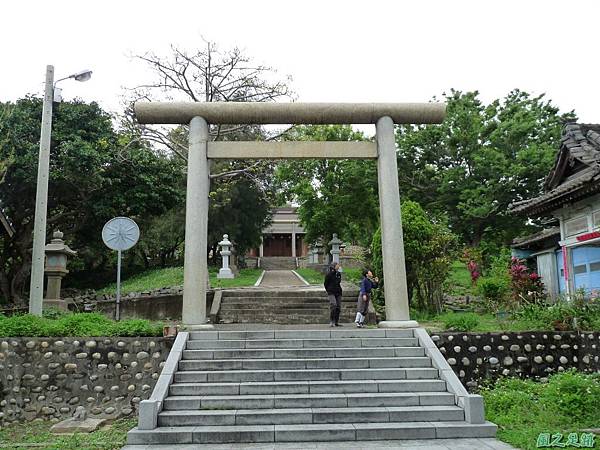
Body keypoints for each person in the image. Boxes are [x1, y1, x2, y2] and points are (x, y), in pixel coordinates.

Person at [324, 262, 343, 327]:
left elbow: (338, 282)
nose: (339, 266)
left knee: (338, 307)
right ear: (334, 266)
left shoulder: (339, 274)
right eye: (337, 265)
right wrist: (328, 290)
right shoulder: (329, 274)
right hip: (331, 292)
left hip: (338, 292)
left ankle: (336, 322)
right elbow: (326, 283)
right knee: (333, 305)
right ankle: (332, 320)